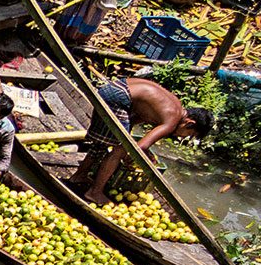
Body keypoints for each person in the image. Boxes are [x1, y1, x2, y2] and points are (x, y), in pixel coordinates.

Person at [75, 77, 214, 204]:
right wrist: (140, 157)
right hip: (118, 98)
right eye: (189, 134)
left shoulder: (175, 106)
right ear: (189, 123)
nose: (183, 137)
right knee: (120, 149)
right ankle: (95, 192)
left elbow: (137, 116)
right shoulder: (172, 120)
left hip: (113, 88)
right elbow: (139, 148)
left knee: (106, 141)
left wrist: (143, 150)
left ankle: (79, 175)